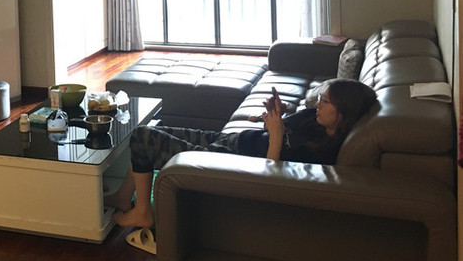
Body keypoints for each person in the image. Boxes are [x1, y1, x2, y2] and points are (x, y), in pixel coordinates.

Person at [106, 78, 378, 229]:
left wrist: (276, 135)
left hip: (231, 162)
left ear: (343, 112)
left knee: (144, 138)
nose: (318, 103)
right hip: (233, 141)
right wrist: (277, 115)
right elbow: (281, 130)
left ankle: (143, 212)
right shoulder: (314, 119)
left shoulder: (320, 155)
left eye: (326, 101)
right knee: (152, 132)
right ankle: (123, 197)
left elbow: (270, 177)